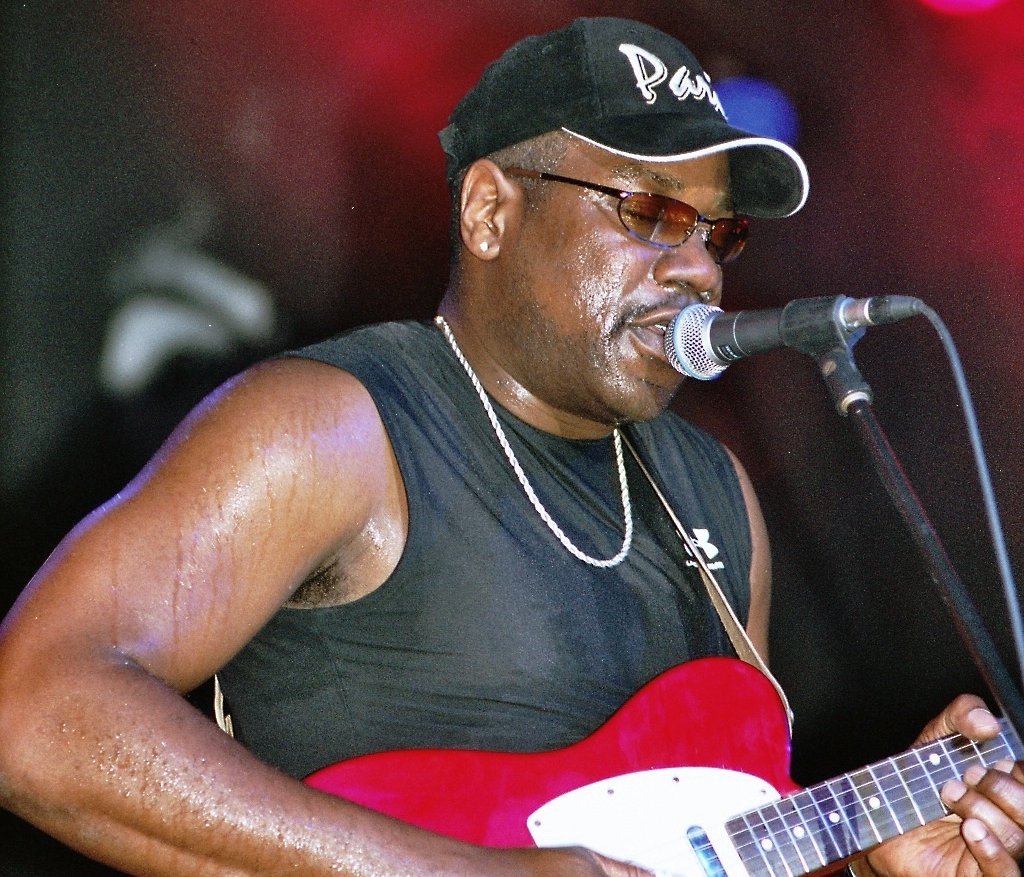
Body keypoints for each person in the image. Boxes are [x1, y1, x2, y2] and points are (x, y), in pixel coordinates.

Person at [1, 16, 1022, 877]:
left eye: (719, 234)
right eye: (650, 211)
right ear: (491, 209)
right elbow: (34, 715)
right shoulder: (333, 428)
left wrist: (864, 860)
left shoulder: (717, 498)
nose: (701, 270)